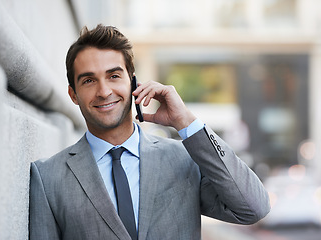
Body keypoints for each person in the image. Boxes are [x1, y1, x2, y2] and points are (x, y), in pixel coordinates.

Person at [29, 24, 270, 240]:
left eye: (114, 76)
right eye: (89, 81)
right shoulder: (48, 177)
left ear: (132, 83)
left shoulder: (183, 160)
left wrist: (185, 121)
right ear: (73, 94)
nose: (104, 91)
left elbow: (253, 208)